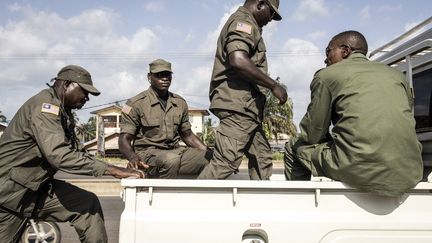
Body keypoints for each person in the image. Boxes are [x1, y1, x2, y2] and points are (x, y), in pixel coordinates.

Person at [0, 65, 145, 243]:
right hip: (10, 193)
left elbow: (76, 152)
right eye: (84, 91)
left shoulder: (63, 112)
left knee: (86, 204)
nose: (87, 98)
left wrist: (121, 167)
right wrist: (111, 170)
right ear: (66, 84)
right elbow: (59, 154)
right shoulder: (44, 107)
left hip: (37, 188)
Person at [284, 30, 423, 197]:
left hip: (358, 168)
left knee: (294, 147)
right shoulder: (397, 75)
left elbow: (313, 134)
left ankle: (300, 205)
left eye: (328, 51)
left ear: (345, 51)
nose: (325, 58)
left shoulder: (326, 76)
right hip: (411, 170)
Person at [197, 0, 287, 180]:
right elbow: (238, 59)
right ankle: (189, 206)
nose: (270, 19)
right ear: (260, 3)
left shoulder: (249, 24)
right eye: (271, 13)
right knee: (226, 162)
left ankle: (259, 204)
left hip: (247, 109)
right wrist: (273, 85)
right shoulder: (244, 22)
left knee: (262, 157)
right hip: (238, 106)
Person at [119, 59, 211, 179]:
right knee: (171, 160)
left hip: (176, 152)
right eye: (159, 75)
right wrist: (133, 157)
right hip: (148, 155)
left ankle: (197, 193)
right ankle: (163, 195)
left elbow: (187, 135)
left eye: (167, 75)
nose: (164, 78)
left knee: (216, 159)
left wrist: (208, 151)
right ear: (149, 77)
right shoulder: (136, 104)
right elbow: (124, 139)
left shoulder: (179, 103)